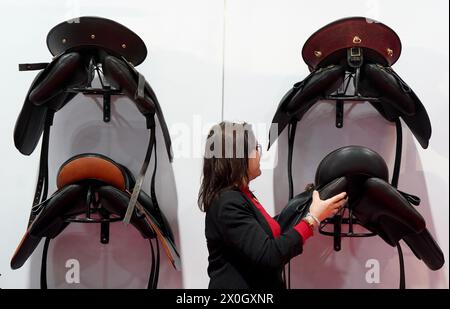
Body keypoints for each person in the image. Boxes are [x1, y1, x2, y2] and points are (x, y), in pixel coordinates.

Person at [198, 121, 347, 289]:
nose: (259, 154)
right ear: (239, 158)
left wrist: (309, 206)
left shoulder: (242, 195)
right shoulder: (228, 203)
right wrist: (313, 219)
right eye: (256, 148)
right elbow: (269, 255)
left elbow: (269, 232)